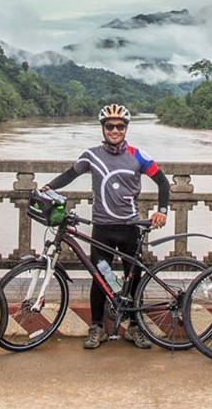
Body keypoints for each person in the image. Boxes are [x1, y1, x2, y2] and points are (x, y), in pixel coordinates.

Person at [43, 104, 169, 350]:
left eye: (119, 126)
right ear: (102, 128)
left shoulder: (138, 155)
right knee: (100, 278)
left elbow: (163, 183)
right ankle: (97, 327)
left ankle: (135, 326)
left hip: (130, 228)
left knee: (134, 279)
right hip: (102, 229)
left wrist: (162, 211)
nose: (114, 130)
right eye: (109, 126)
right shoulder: (91, 155)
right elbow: (70, 174)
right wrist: (47, 187)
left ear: (126, 128)